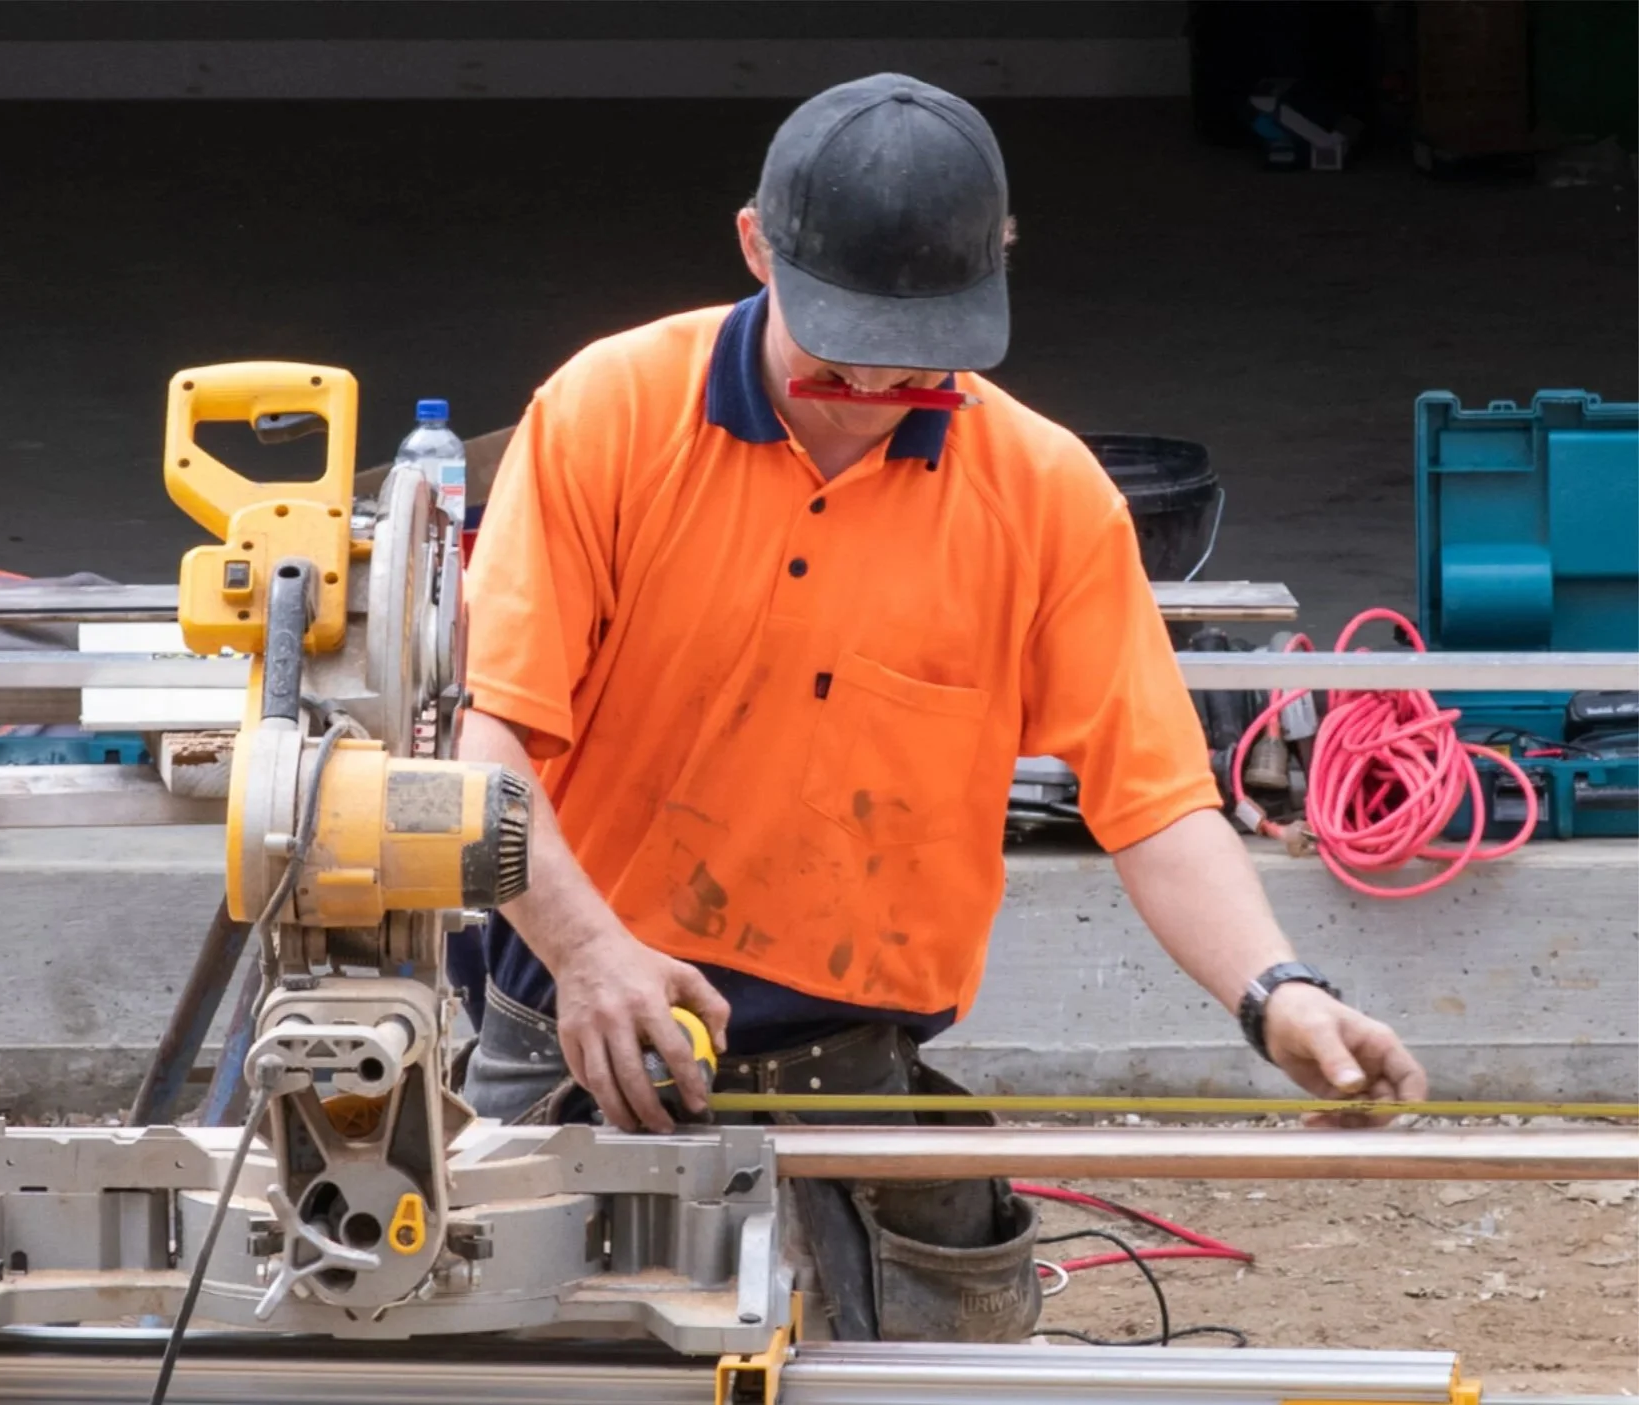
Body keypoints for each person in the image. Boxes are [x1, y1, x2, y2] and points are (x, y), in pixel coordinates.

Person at [453, 73, 1429, 1344]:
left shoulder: (1044, 494)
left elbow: (1152, 801)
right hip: (583, 1042)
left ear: (999, 270)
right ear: (755, 244)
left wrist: (1275, 992)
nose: (874, 374)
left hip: (847, 1073)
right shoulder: (606, 414)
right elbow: (484, 755)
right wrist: (588, 953)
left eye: (919, 345)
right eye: (841, 334)